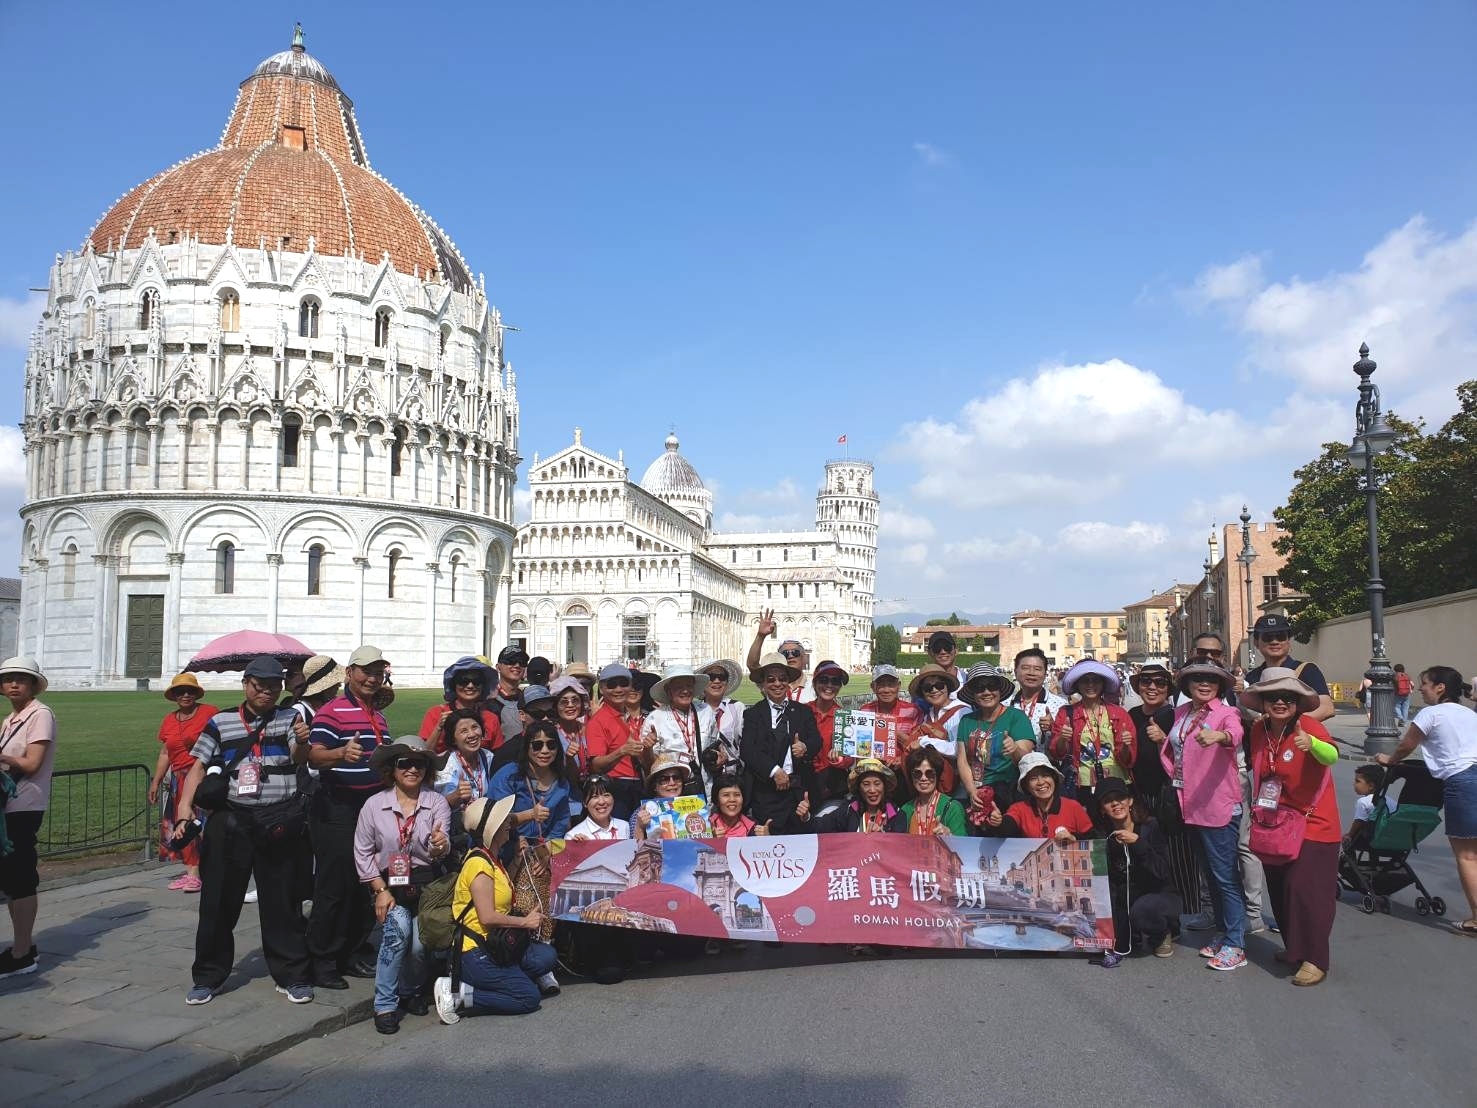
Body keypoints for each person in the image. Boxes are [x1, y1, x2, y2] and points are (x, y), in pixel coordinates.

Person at [171, 655, 313, 1004]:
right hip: (231, 818)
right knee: (218, 901)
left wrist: (304, 740)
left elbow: (300, 759)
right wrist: (185, 809)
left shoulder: (289, 718)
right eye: (259, 686)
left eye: (273, 686)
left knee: (282, 902)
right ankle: (208, 976)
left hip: (277, 817)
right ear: (246, 685)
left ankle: (290, 974)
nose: (266, 692)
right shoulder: (221, 722)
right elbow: (198, 767)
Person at [1241, 668, 1341, 986]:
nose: (1280, 702)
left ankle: (1316, 958)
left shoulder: (1307, 725)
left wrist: (1311, 744)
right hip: (1277, 823)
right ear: (1263, 702)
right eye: (1273, 697)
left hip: (1314, 823)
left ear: (1298, 703)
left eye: (1288, 697)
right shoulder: (1259, 730)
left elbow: (1332, 756)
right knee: (1281, 888)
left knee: (1306, 890)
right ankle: (1295, 948)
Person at [306, 644, 392, 989]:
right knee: (334, 884)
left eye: (377, 673)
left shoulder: (379, 716)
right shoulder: (332, 711)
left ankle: (351, 951)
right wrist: (342, 751)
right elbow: (313, 756)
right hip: (338, 806)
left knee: (362, 883)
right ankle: (322, 959)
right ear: (349, 674)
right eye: (365, 671)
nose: (372, 678)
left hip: (370, 807)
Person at [353, 737, 453, 1033]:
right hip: (390, 886)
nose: (412, 769)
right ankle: (384, 1004)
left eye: (418, 764)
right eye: (404, 763)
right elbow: (362, 851)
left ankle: (410, 992)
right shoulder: (374, 805)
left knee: (419, 947)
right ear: (392, 769)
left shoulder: (435, 802)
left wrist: (439, 845)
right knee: (397, 936)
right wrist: (380, 891)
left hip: (426, 885)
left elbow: (442, 843)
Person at [433, 795, 558, 1023]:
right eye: (504, 820)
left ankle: (504, 980)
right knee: (528, 998)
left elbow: (499, 891)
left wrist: (517, 861)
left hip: (496, 944)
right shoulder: (479, 864)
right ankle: (458, 996)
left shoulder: (492, 859)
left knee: (546, 956)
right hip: (475, 952)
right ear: (493, 829)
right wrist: (525, 922)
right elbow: (487, 916)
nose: (509, 823)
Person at [1377, 664, 1477, 936]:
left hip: (1462, 781)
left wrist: (1390, 760)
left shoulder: (1430, 713)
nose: (1420, 688)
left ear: (1440, 688)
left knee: (1468, 856)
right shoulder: (1468, 713)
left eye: (1424, 683)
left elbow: (1407, 745)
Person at [1164, 661, 1247, 972]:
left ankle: (1237, 943)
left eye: (1211, 680)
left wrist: (1220, 738)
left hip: (1218, 806)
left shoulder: (1226, 713)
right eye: (1197, 678)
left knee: (1226, 877)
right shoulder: (1182, 713)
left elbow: (1235, 734)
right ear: (1187, 684)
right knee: (1210, 875)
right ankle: (1224, 933)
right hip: (1191, 805)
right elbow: (1176, 748)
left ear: (1220, 686)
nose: (1203, 683)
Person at [1125, 664, 1202, 925]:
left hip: (1171, 794)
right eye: (1146, 682)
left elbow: (1190, 758)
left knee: (1179, 854)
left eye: (1159, 683)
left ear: (1169, 689)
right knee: (1147, 854)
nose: (1152, 687)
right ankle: (1154, 909)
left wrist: (1162, 741)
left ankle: (1189, 911)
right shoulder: (1132, 715)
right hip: (1141, 795)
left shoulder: (1177, 717)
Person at [0, 656, 55, 979]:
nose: (14, 684)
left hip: (25, 805)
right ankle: (21, 947)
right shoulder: (11, 719)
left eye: (22, 678)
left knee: (20, 877)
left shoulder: (40, 715)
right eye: (8, 679)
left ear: (33, 684)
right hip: (8, 807)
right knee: (9, 878)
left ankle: (23, 952)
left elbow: (33, 763)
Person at [1094, 777, 1182, 967]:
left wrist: (1138, 843)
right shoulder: (1103, 835)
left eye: (1120, 798)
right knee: (1117, 932)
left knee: (1143, 912)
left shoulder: (1151, 827)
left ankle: (1163, 932)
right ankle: (1133, 931)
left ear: (1130, 801)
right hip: (1127, 897)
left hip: (1159, 894)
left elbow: (1162, 872)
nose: (1116, 803)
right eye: (1108, 801)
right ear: (1102, 809)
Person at [148, 673, 219, 893]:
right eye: (180, 692)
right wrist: (156, 781)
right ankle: (191, 871)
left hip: (201, 777)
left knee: (199, 826)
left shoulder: (209, 713)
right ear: (174, 696)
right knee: (181, 827)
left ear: (196, 693)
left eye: (189, 691)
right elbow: (165, 753)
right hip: (178, 778)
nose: (185, 695)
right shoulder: (170, 720)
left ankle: (199, 872)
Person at [741, 652, 822, 833]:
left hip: (798, 791)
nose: (777, 684)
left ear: (788, 681)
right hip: (767, 792)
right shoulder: (753, 714)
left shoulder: (803, 711)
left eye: (782, 679)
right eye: (771, 679)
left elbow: (816, 740)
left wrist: (805, 747)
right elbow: (747, 750)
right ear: (763, 683)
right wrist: (774, 770)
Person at [1048, 659, 1136, 813]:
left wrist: (1127, 746)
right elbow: (1058, 753)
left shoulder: (1119, 713)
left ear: (1103, 684)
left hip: (1115, 783)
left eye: (1095, 680)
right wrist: (1063, 738)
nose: (1090, 685)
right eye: (1085, 681)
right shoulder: (1066, 712)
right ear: (1077, 684)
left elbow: (1128, 760)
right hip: (1081, 784)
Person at [955, 663, 1035, 819]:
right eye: (979, 688)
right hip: (978, 789)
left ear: (999, 689)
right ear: (973, 693)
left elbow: (1026, 759)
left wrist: (1014, 750)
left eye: (991, 686)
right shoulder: (967, 720)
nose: (986, 692)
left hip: (1009, 791)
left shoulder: (1016, 717)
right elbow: (962, 760)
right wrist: (972, 792)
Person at [490, 719, 571, 851]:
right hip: (505, 846)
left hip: (542, 850)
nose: (545, 751)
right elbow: (494, 818)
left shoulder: (562, 783)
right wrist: (530, 815)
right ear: (527, 747)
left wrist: (546, 851)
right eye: (537, 745)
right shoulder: (508, 776)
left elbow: (560, 823)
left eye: (551, 745)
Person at [1243, 615, 1335, 722]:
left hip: (1300, 736)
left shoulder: (1307, 670)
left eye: (1280, 636)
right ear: (1256, 642)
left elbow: (1327, 708)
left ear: (1288, 640)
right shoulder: (1252, 677)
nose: (1274, 641)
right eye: (1267, 637)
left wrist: (1286, 725)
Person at [985, 752, 1095, 840]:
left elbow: (1093, 840)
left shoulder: (1073, 807)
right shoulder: (1019, 809)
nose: (1041, 782)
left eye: (1046, 775)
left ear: (1054, 779)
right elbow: (1006, 827)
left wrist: (1073, 838)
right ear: (1026, 786)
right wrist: (998, 822)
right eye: (1033, 778)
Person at [584, 663, 645, 820]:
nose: (618, 689)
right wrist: (622, 751)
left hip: (639, 786)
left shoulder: (635, 718)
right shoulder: (598, 721)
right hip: (616, 789)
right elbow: (596, 765)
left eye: (623, 683)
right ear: (602, 689)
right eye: (612, 685)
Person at [643, 665, 714, 792]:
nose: (685, 691)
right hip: (672, 789)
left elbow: (714, 745)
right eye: (679, 687)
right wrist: (647, 748)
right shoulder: (655, 718)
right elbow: (649, 766)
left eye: (688, 686)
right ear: (668, 691)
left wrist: (719, 756)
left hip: (705, 785)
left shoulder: (705, 710)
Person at [421, 657, 504, 754]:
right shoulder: (436, 714)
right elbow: (424, 754)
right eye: (463, 681)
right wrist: (439, 728)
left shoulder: (491, 719)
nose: (470, 686)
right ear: (453, 685)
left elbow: (498, 756)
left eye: (476, 681)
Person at [907, 663, 967, 796]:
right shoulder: (928, 715)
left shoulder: (962, 712)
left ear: (947, 687)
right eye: (928, 687)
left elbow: (959, 750)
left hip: (958, 787)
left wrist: (924, 742)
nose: (934, 690)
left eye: (939, 685)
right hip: (934, 785)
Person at [434, 708, 497, 831]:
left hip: (486, 822)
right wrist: (456, 795)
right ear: (453, 739)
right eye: (464, 731)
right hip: (456, 828)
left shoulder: (488, 757)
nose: (472, 734)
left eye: (475, 727)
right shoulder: (447, 764)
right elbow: (438, 805)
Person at [805, 758, 905, 833]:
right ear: (858, 788)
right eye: (866, 784)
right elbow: (819, 827)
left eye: (877, 784)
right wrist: (806, 817)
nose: (872, 790)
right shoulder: (849, 810)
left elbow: (899, 848)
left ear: (885, 786)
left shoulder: (897, 814)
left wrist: (881, 836)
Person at [859, 665, 921, 781]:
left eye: (891, 684)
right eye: (881, 685)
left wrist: (901, 758)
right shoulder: (865, 711)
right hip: (873, 772)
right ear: (873, 687)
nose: (886, 690)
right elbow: (861, 747)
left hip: (904, 771)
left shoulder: (912, 711)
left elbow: (917, 745)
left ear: (898, 686)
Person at [807, 660, 852, 809]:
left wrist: (840, 761)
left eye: (835, 681)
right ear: (814, 683)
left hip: (832, 786)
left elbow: (849, 757)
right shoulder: (802, 711)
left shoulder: (844, 716)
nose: (829, 686)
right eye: (824, 680)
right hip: (804, 784)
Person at [1006, 647, 1067, 750]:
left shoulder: (1061, 705)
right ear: (1015, 672)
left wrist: (1054, 727)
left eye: (1037, 669)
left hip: (1046, 764)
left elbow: (1068, 745)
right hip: (1011, 764)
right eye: (1025, 668)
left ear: (1045, 674)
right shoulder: (1005, 705)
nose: (1031, 673)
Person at [746, 608, 811, 701]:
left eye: (795, 652)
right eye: (785, 654)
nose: (791, 656)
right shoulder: (772, 683)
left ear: (804, 657)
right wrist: (760, 636)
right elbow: (752, 665)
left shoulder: (815, 686)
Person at [900, 746, 967, 835]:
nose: (923, 778)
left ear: (937, 775)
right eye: (917, 773)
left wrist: (950, 836)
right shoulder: (906, 809)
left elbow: (963, 845)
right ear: (911, 777)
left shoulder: (953, 808)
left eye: (929, 773)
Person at [631, 755, 698, 839]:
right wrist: (639, 827)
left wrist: (714, 834)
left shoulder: (695, 807)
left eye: (676, 778)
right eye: (664, 779)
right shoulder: (641, 812)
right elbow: (634, 849)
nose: (672, 783)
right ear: (654, 786)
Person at [698, 659, 745, 779]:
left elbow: (744, 742)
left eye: (721, 677)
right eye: (711, 677)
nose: (717, 681)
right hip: (704, 774)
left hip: (732, 775)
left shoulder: (736, 707)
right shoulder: (695, 711)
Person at [486, 646, 529, 745]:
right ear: (498, 667)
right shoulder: (488, 700)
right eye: (511, 661)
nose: (517, 665)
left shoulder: (527, 698)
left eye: (522, 662)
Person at [1344, 764, 1393, 848]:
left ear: (1370, 786)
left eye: (1357, 781)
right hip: (1388, 839)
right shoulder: (1390, 801)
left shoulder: (1363, 802)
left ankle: (1350, 855)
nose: (1354, 784)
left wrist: (1349, 835)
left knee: (1348, 838)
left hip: (1371, 840)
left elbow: (1358, 822)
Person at [567, 775, 629, 841]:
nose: (601, 802)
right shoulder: (573, 836)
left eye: (606, 795)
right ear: (585, 803)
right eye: (595, 797)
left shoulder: (624, 826)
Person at [709, 770, 763, 837]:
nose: (732, 800)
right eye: (726, 795)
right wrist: (710, 839)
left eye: (737, 795)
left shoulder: (755, 828)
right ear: (717, 800)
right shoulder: (706, 826)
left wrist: (767, 838)